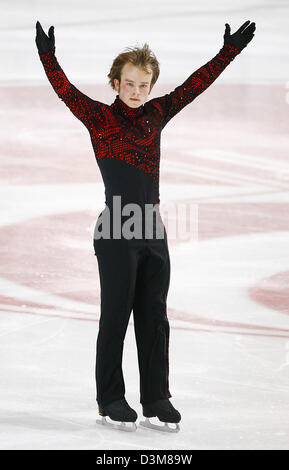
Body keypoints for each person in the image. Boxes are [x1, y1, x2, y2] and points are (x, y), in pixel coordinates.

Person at [35, 20, 256, 433]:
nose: (137, 92)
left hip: (153, 229)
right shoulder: (99, 119)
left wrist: (229, 52)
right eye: (130, 83)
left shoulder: (157, 113)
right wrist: (48, 56)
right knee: (116, 316)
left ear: (151, 87)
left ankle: (156, 398)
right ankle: (111, 398)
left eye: (144, 85)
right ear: (116, 83)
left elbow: (193, 87)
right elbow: (65, 91)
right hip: (116, 229)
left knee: (154, 316)